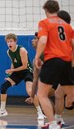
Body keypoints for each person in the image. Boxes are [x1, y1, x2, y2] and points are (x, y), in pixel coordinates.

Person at [34, 0, 74, 129]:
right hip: (67, 61)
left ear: (46, 10)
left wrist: (37, 57)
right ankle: (57, 120)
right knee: (70, 94)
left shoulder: (44, 23)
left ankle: (53, 124)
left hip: (53, 60)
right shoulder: (67, 26)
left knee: (41, 94)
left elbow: (43, 40)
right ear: (57, 9)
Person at [0, 33, 45, 120]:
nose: (9, 43)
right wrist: (10, 75)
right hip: (17, 71)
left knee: (30, 91)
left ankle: (40, 112)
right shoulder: (9, 52)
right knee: (3, 87)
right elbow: (13, 62)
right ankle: (2, 110)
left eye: (11, 41)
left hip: (27, 71)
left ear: (15, 42)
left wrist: (12, 71)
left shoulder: (22, 50)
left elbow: (24, 66)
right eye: (8, 42)